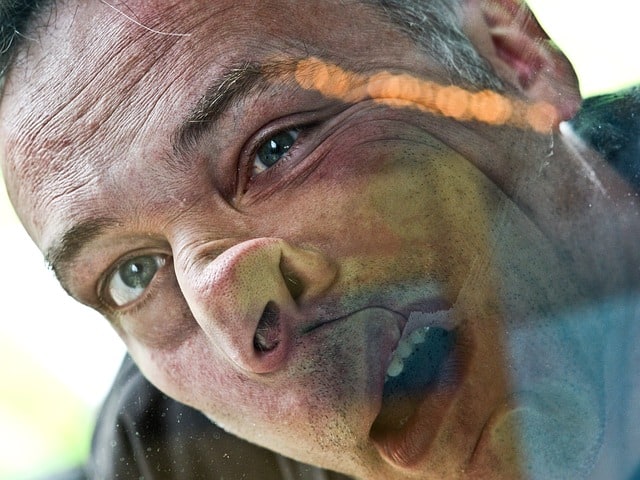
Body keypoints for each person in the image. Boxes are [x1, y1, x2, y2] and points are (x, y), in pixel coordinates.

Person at [1, 0, 638, 478]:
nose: (230, 320)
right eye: (132, 274)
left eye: (276, 148)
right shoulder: (171, 456)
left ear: (513, 55)